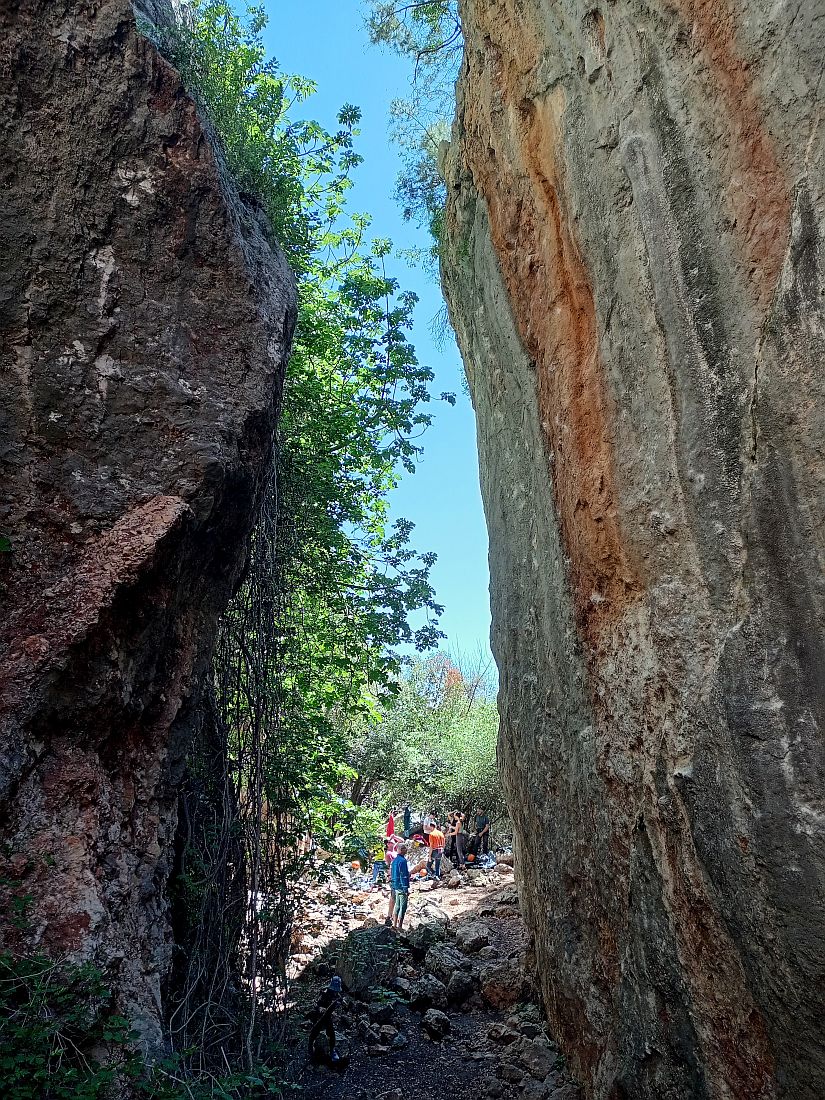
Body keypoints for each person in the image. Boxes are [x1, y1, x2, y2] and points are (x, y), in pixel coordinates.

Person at [307, 975, 342, 1062]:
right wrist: (319, 1008)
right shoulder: (324, 993)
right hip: (319, 1016)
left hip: (328, 1016)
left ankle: (332, 1051)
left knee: (331, 1033)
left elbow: (340, 1001)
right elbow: (315, 1004)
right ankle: (311, 1050)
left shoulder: (337, 995)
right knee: (314, 1032)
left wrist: (337, 1006)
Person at [390, 843, 410, 930]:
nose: (406, 850)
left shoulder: (394, 861)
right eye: (405, 849)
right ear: (402, 850)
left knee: (397, 905)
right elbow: (403, 875)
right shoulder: (403, 861)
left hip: (395, 885)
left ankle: (394, 924)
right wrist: (405, 888)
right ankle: (400, 926)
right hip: (401, 886)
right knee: (403, 906)